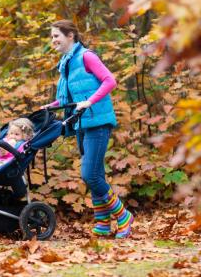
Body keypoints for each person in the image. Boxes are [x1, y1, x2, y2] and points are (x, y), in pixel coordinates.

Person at [42, 19, 134, 238]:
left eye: (57, 36)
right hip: (81, 122)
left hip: (98, 122)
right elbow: (72, 97)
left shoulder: (86, 56)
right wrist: (52, 105)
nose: (53, 40)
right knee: (96, 173)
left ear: (71, 35)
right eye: (52, 36)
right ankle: (103, 223)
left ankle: (123, 215)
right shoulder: (66, 62)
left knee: (90, 175)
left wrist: (90, 101)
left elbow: (110, 81)